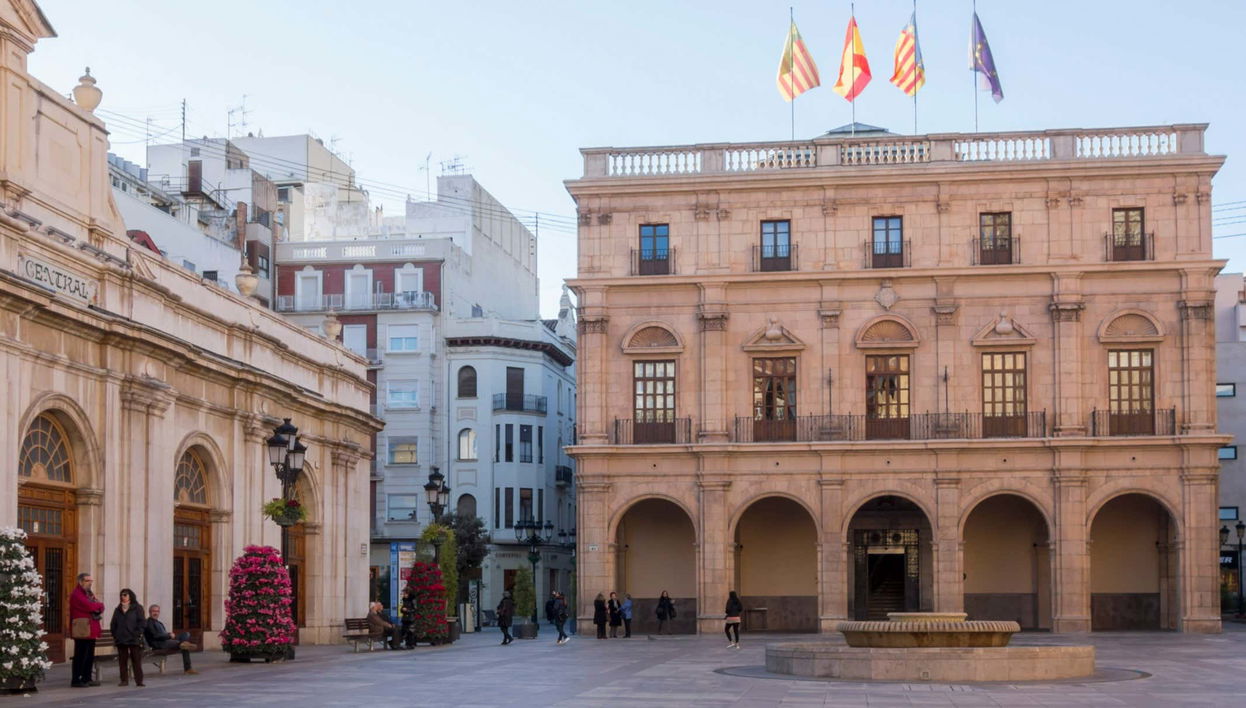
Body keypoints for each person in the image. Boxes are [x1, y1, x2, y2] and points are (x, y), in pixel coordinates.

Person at [69, 572, 104, 688]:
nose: (90, 583)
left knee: (89, 655)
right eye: (88, 581)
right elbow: (90, 606)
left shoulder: (89, 593)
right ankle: (76, 679)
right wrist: (98, 605)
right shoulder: (77, 594)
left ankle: (87, 677)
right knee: (80, 655)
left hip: (91, 629)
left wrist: (98, 605)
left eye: (91, 581)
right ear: (81, 582)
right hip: (82, 629)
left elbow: (100, 605)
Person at [143, 604, 198, 674]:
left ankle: (183, 643)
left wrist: (169, 635)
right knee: (184, 646)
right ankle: (188, 668)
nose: (155, 613)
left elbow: (163, 634)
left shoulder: (159, 623)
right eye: (154, 611)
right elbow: (155, 636)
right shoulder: (149, 622)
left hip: (166, 641)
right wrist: (169, 636)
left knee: (186, 634)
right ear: (150, 612)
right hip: (159, 644)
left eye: (157, 611)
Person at [109, 588, 146, 687]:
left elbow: (142, 622)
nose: (123, 596)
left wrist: (137, 632)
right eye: (121, 595)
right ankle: (124, 680)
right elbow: (113, 624)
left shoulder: (137, 608)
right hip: (121, 638)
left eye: (125, 594)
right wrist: (115, 634)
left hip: (133, 638)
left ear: (130, 596)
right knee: (122, 661)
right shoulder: (118, 609)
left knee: (136, 660)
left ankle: (139, 680)